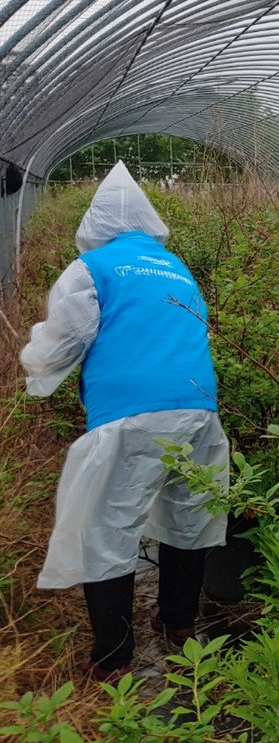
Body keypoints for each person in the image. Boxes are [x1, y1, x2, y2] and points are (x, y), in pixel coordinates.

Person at [21, 162, 229, 682]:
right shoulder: (176, 266)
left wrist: (33, 360)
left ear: (94, 225)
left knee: (104, 526)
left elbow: (60, 347)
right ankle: (178, 624)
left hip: (132, 416)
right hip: (199, 412)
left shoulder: (91, 267)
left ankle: (114, 658)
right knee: (189, 516)